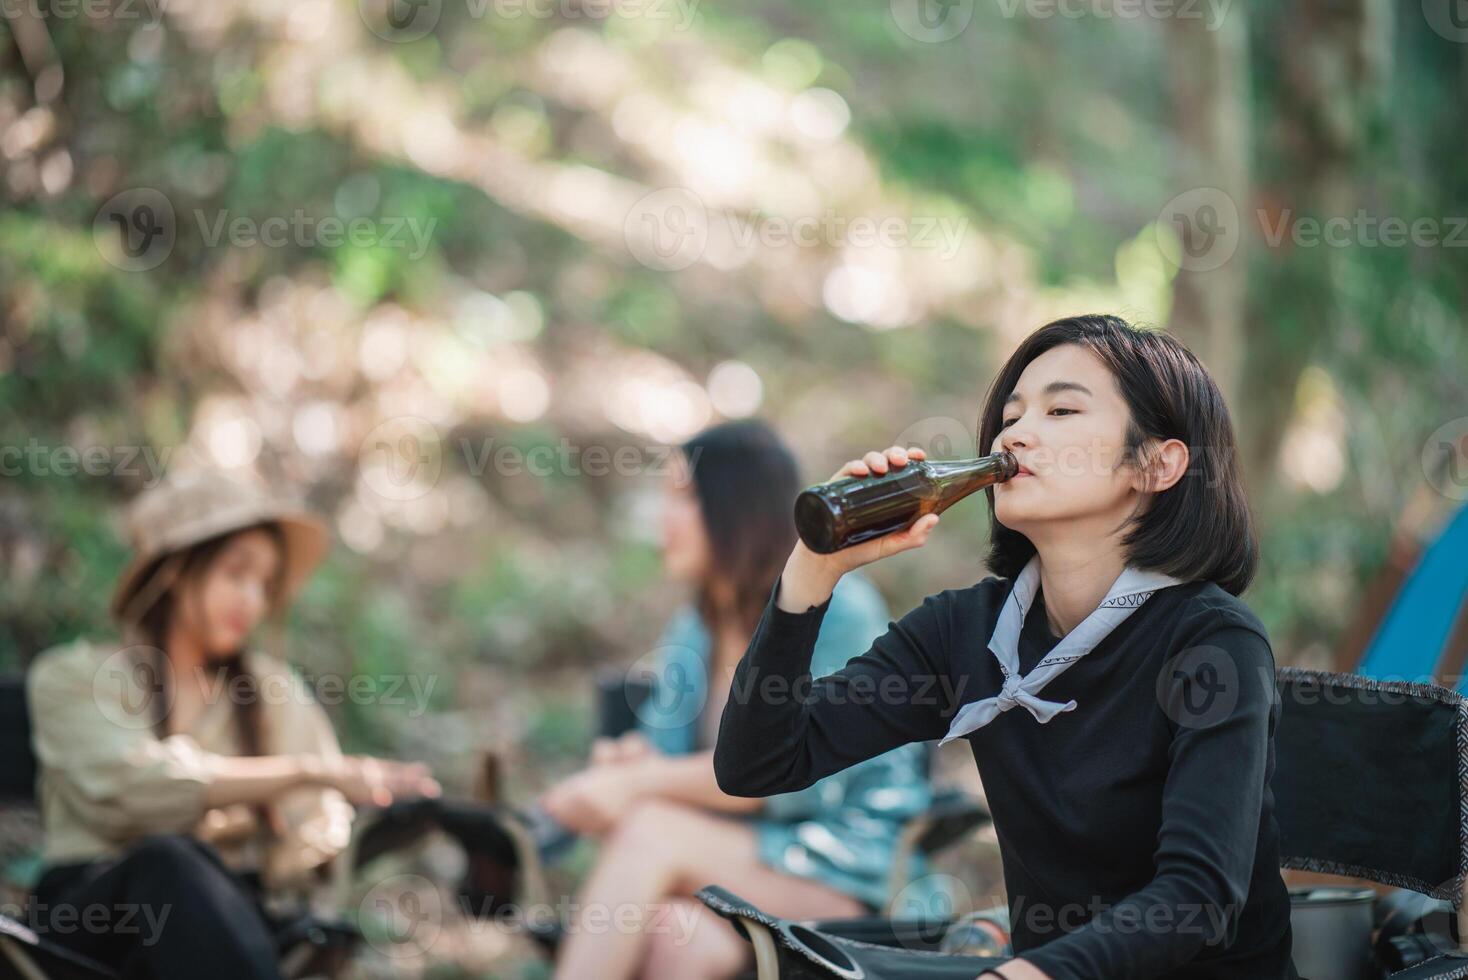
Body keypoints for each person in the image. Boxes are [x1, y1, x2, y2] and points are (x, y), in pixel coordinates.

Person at [714, 315, 1299, 980]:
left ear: (1157, 464)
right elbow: (756, 765)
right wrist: (811, 574)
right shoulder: (968, 633)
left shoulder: (1211, 641)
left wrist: (1025, 975)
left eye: (1062, 409)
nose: (1015, 434)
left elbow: (1197, 897)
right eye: (1012, 414)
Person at [541, 419, 942, 980]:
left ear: (736, 506)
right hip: (727, 862)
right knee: (680, 942)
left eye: (681, 495)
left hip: (842, 870)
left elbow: (796, 780)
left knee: (650, 830)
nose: (662, 517)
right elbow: (669, 754)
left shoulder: (841, 611)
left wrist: (638, 784)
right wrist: (633, 766)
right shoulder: (697, 625)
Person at [26, 466, 441, 980]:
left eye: (265, 584)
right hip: (93, 925)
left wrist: (385, 815)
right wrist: (307, 772)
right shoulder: (75, 675)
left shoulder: (271, 691)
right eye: (235, 574)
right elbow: (128, 788)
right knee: (170, 863)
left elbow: (308, 842)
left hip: (230, 919)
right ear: (176, 569)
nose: (253, 600)